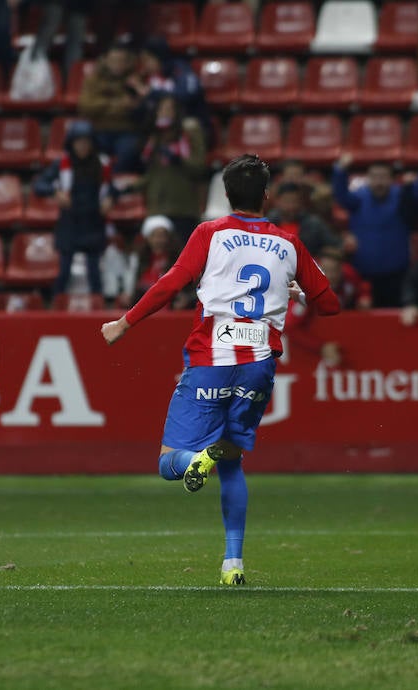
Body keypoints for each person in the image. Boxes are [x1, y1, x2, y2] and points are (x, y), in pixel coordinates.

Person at [100, 154, 341, 586]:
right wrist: (299, 290)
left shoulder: (210, 233)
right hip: (259, 366)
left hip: (212, 357)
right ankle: (233, 564)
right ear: (267, 195)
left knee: (168, 462)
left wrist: (124, 322)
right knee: (231, 462)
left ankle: (196, 458)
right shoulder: (290, 244)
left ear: (226, 195)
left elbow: (171, 283)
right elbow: (330, 305)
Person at [332, 154, 418, 308]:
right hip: (363, 273)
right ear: (368, 178)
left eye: (383, 177)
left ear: (391, 179)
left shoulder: (402, 196)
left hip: (396, 274)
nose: (379, 182)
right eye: (374, 177)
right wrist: (340, 170)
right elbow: (341, 195)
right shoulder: (359, 198)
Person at [32, 120, 116, 298]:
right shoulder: (62, 163)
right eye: (79, 142)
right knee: (63, 273)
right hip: (70, 223)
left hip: (94, 222)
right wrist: (55, 192)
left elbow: (113, 189)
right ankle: (56, 312)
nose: (83, 146)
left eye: (86, 142)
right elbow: (39, 185)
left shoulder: (102, 164)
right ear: (72, 143)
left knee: (95, 275)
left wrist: (110, 198)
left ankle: (98, 316)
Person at [137, 94, 207, 243]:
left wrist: (179, 160)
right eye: (161, 109)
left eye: (168, 109)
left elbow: (199, 167)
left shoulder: (188, 133)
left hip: (183, 207)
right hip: (157, 206)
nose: (164, 113)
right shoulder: (154, 138)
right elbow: (151, 174)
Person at [77, 39, 142, 172]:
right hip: (99, 130)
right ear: (105, 60)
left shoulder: (135, 80)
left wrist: (103, 107)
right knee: (81, 142)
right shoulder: (93, 80)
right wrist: (117, 104)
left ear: (128, 61)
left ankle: (115, 185)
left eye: (121, 61)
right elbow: (86, 107)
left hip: (126, 131)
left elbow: (137, 107)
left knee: (130, 151)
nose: (117, 65)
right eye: (114, 61)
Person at [266, 182, 342, 257]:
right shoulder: (267, 224)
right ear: (277, 201)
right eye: (287, 201)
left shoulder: (313, 224)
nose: (291, 206)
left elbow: (336, 245)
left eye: (295, 201)